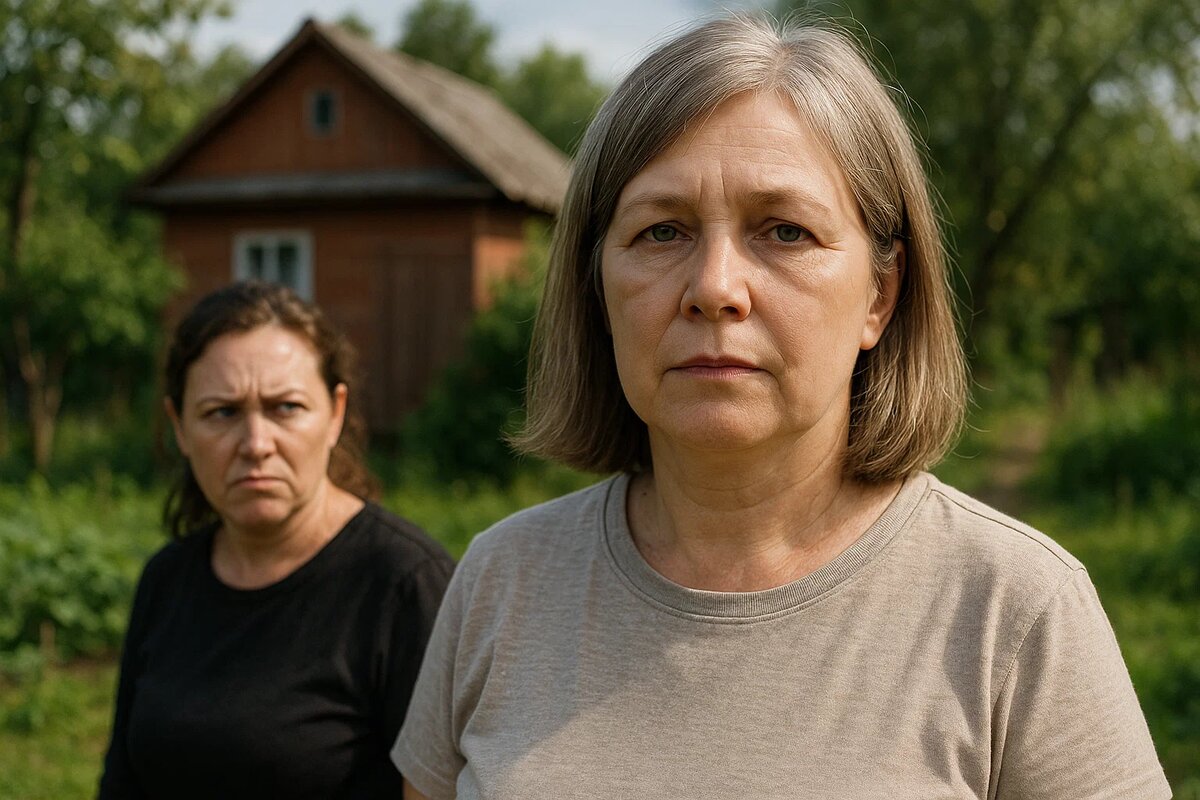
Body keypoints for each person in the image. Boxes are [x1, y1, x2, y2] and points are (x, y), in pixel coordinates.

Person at [391, 14, 1170, 800]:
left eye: (785, 232)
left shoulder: (1017, 610)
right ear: (596, 287)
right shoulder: (502, 581)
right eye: (662, 231)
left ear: (881, 295)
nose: (714, 288)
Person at [98, 281, 455, 799]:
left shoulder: (405, 585)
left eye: (285, 407)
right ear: (180, 427)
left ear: (334, 414)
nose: (256, 444)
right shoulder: (167, 578)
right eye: (222, 412)